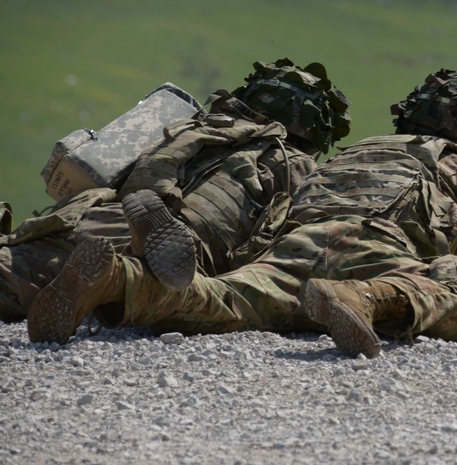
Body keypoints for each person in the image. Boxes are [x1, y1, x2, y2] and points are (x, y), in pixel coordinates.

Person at [27, 69, 457, 359]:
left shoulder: (351, 154)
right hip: (378, 253)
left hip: (295, 245)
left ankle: (116, 279)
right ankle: (365, 298)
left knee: (220, 300)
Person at [0, 58, 351, 321]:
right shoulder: (299, 167)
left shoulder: (196, 126)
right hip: (184, 243)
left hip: (98, 211)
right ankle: (113, 281)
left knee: (26, 259)